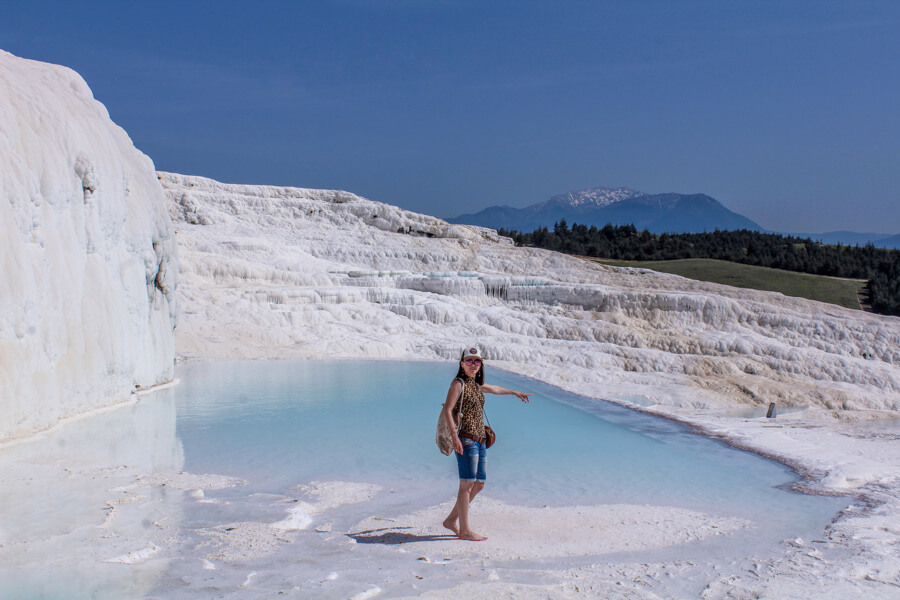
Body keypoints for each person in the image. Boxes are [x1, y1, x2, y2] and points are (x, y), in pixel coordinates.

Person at [441, 346, 531, 541]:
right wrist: (455, 437)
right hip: (465, 438)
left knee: (479, 484)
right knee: (466, 484)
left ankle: (450, 520)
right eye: (469, 361)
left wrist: (514, 392)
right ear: (462, 364)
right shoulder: (458, 383)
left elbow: (495, 389)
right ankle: (464, 530)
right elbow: (448, 410)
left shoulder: (475, 384)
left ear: (481, 364)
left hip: (480, 439)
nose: (473, 364)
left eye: (477, 361)